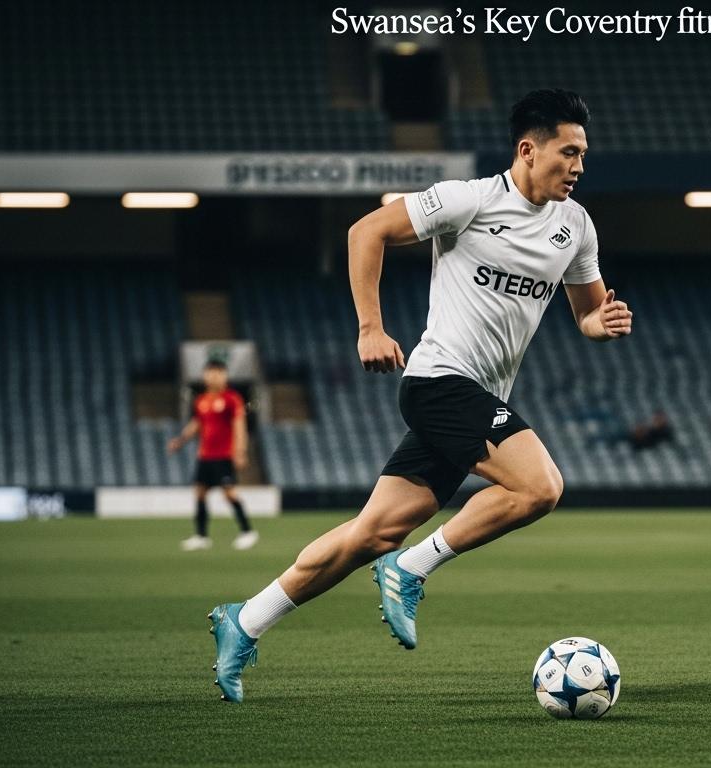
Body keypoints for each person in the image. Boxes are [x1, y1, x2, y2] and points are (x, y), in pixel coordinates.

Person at [204, 88, 633, 702]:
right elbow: (366, 231)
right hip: (439, 382)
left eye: (584, 154)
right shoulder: (470, 199)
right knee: (540, 487)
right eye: (569, 152)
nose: (579, 166)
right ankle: (411, 568)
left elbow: (588, 312)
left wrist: (603, 323)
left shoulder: (576, 226)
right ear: (527, 149)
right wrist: (371, 327)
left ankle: (244, 621)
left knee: (371, 533)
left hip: (475, 397)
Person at [167, 360, 257, 552]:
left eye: (218, 372)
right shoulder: (201, 400)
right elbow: (197, 424)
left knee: (229, 493)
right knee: (199, 493)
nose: (214, 376)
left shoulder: (232, 399)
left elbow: (239, 426)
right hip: (205, 456)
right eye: (210, 372)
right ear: (205, 375)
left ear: (224, 375)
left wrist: (240, 452)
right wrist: (180, 440)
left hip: (223, 456)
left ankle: (248, 532)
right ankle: (201, 536)